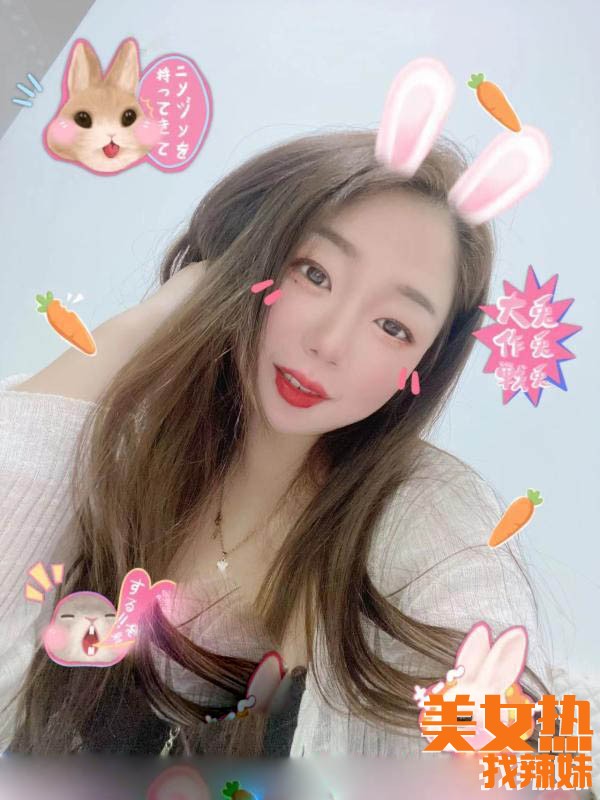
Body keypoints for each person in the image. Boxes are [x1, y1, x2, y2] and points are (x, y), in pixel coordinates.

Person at [0, 126, 593, 787]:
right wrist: (153, 319)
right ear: (254, 263)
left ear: (422, 366)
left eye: (393, 326)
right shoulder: (127, 448)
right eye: (315, 273)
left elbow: (516, 749)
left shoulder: (425, 516)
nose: (329, 343)